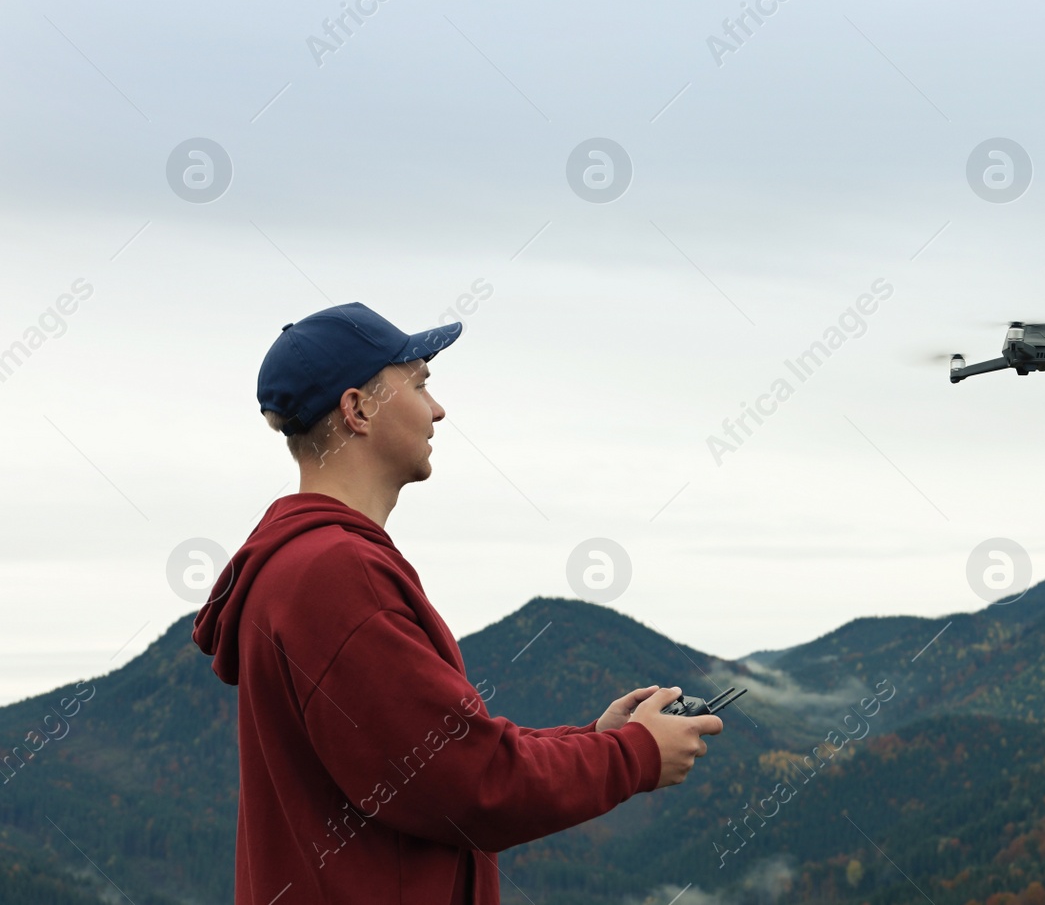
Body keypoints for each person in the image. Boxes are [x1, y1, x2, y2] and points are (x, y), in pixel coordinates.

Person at [192, 302, 722, 904]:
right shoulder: (335, 574)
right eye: (419, 384)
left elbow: (437, 750)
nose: (439, 410)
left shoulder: (300, 566)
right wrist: (634, 756)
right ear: (357, 410)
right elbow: (465, 784)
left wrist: (594, 737)